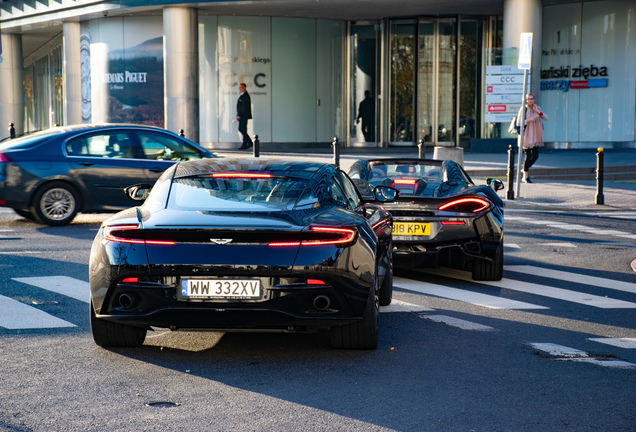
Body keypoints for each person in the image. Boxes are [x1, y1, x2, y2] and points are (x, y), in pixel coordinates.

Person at [516, 93, 548, 183]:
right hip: (527, 135)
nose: (530, 100)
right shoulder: (523, 109)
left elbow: (546, 117)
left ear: (534, 99)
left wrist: (539, 113)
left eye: (531, 99)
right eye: (528, 99)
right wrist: (531, 120)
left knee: (535, 156)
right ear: (526, 100)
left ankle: (525, 168)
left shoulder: (537, 108)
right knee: (528, 156)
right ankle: (525, 177)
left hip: (536, 135)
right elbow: (519, 122)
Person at [236, 83, 253, 150]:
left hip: (243, 116)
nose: (239, 89)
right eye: (239, 87)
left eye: (241, 87)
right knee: (241, 129)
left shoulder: (245, 96)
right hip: (241, 115)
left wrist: (240, 115)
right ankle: (249, 142)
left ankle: (245, 144)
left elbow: (244, 107)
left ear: (244, 88)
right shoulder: (242, 95)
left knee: (243, 129)